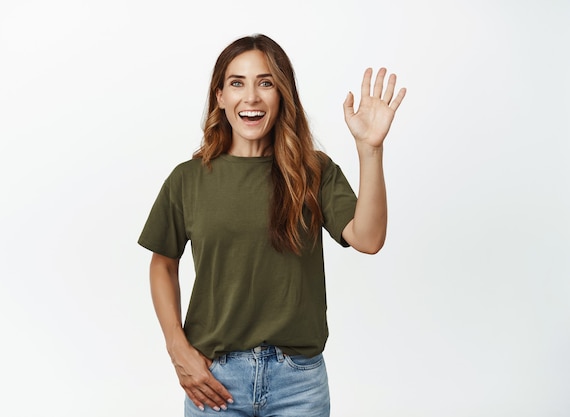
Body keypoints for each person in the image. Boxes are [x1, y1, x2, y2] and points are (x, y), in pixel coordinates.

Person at [138, 34, 406, 416]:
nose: (251, 97)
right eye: (237, 83)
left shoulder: (314, 171)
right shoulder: (188, 179)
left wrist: (370, 150)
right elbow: (162, 263)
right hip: (214, 381)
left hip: (298, 384)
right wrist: (177, 349)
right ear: (220, 96)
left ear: (283, 95)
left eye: (266, 83)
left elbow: (369, 238)